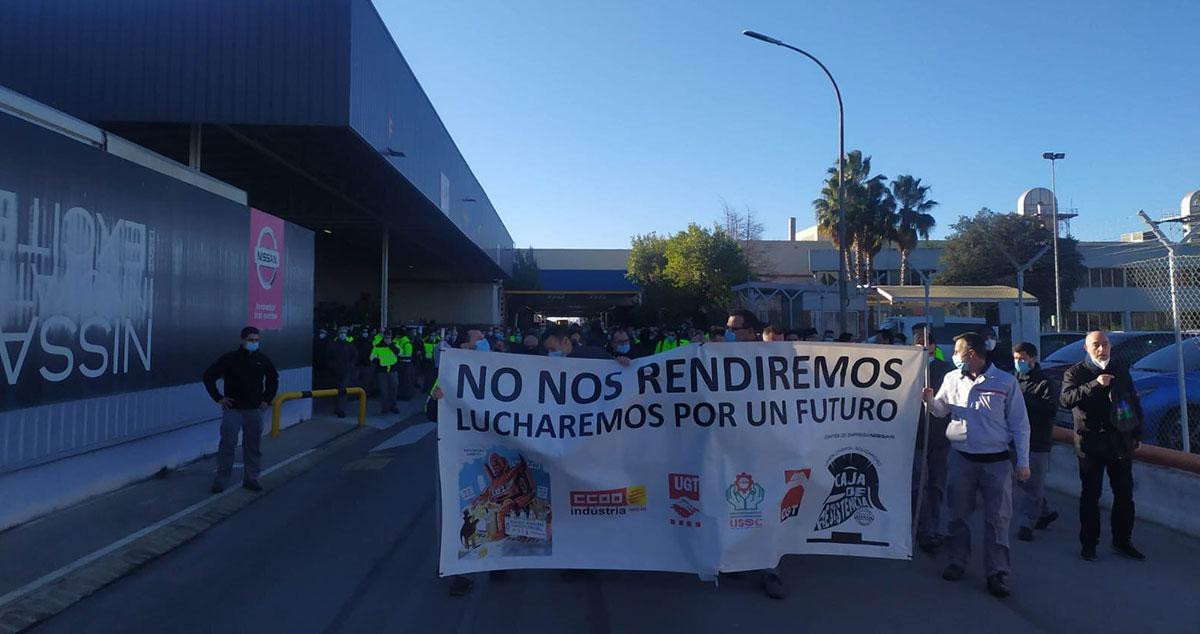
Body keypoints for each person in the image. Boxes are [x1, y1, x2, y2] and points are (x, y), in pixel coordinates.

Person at [923, 332, 1030, 598]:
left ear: (971, 353)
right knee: (958, 515)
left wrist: (1024, 461)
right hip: (961, 458)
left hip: (996, 461)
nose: (954, 356)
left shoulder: (1004, 382)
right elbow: (941, 410)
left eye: (957, 351)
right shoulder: (952, 378)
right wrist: (929, 401)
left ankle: (997, 572)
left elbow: (1019, 424)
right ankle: (957, 561)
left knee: (998, 519)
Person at [1060, 331, 1145, 562]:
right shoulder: (1076, 372)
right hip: (1091, 444)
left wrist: (1136, 433)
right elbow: (1066, 399)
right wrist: (1094, 385)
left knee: (1124, 494)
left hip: (1119, 442)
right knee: (1091, 496)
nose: (1101, 349)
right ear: (1087, 349)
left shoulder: (1120, 369)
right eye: (1096, 345)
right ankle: (1089, 544)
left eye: (1105, 344)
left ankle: (1122, 540)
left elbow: (1133, 401)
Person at [723, 309, 787, 599]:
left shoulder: (771, 359)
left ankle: (769, 570)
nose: (729, 334)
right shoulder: (717, 360)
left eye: (735, 329)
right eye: (728, 328)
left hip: (766, 447)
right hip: (731, 446)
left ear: (750, 331)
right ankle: (733, 561)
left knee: (768, 508)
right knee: (730, 506)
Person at [202, 327, 279, 494]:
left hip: (254, 410)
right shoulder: (230, 359)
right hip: (233, 410)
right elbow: (208, 376)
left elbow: (273, 379)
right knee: (227, 444)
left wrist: (267, 399)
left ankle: (251, 478)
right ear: (242, 340)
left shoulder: (262, 359)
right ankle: (221, 480)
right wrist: (219, 398)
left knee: (253, 446)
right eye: (251, 339)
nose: (254, 343)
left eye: (256, 340)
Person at [1012, 342, 1059, 542]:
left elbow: (1049, 410)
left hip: (1037, 440)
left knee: (1034, 482)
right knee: (1023, 481)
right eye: (1016, 359)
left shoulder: (1045, 383)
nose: (1019, 362)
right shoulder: (1014, 379)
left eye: (1022, 358)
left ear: (1033, 358)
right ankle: (1044, 511)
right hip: (1014, 439)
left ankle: (1027, 524)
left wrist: (1024, 401)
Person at [912, 329, 953, 554]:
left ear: (933, 347)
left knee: (936, 486)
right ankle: (922, 528)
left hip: (939, 437)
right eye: (918, 346)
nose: (923, 350)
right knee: (919, 485)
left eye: (926, 346)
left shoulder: (945, 370)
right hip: (916, 437)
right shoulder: (906, 370)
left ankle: (934, 527)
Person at [370, 331, 402, 415]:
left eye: (389, 338)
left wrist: (391, 345)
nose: (388, 339)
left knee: (394, 389)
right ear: (383, 338)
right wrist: (379, 361)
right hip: (382, 371)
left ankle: (393, 406)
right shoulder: (377, 346)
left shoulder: (394, 345)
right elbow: (371, 357)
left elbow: (400, 353)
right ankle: (385, 408)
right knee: (384, 390)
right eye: (386, 338)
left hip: (393, 370)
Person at [330, 327, 358, 418]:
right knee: (335, 391)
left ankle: (341, 409)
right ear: (338, 333)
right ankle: (336, 408)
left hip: (346, 371)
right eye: (341, 332)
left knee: (343, 390)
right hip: (335, 371)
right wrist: (332, 366)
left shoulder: (349, 345)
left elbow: (355, 355)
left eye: (344, 333)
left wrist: (351, 365)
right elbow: (328, 356)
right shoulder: (333, 344)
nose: (343, 334)